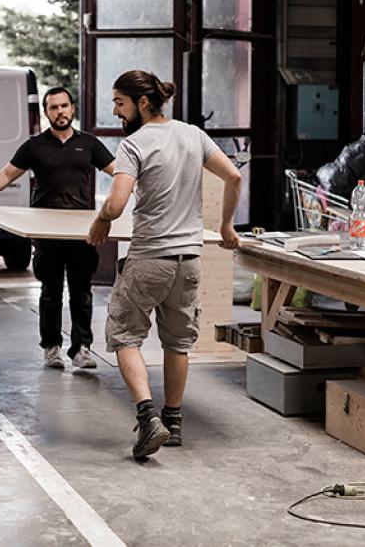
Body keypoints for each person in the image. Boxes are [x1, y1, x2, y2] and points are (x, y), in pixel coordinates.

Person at [87, 70, 241, 460]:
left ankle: (147, 418)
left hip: (149, 258)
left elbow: (118, 203)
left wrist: (103, 218)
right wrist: (225, 225)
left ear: (141, 103)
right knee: (177, 343)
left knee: (124, 336)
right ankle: (173, 424)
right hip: (189, 260)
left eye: (119, 103)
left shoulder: (134, 145)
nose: (115, 111)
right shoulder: (193, 135)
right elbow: (234, 176)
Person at [0, 87, 114, 370]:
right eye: (54, 108)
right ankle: (51, 348)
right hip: (46, 232)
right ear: (47, 112)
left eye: (64, 106)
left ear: (72, 108)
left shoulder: (89, 144)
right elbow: (8, 173)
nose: (60, 112)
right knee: (50, 292)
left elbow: (118, 171)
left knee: (81, 292)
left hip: (81, 231)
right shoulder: (34, 145)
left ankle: (82, 349)